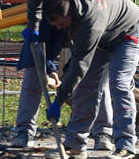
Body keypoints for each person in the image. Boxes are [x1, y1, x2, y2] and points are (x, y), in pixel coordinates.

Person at [24, 0, 139, 159]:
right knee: (86, 88)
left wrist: (58, 100)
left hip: (127, 32)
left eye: (60, 23)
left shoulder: (90, 23)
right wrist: (32, 26)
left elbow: (78, 67)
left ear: (70, 14)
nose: (57, 28)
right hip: (105, 30)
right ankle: (75, 145)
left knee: (119, 83)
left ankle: (126, 146)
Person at [11, 23, 116, 152]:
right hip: (50, 21)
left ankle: (103, 132)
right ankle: (24, 131)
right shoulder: (44, 16)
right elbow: (40, 52)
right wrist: (50, 70)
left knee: (94, 73)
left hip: (84, 26)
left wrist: (64, 83)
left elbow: (81, 62)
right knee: (34, 68)